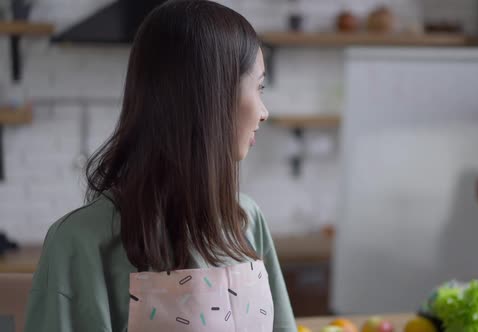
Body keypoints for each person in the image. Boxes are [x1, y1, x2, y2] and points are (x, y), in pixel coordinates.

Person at [24, 1, 297, 331]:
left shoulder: (247, 220)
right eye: (258, 86)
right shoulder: (79, 243)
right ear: (212, 95)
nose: (264, 112)